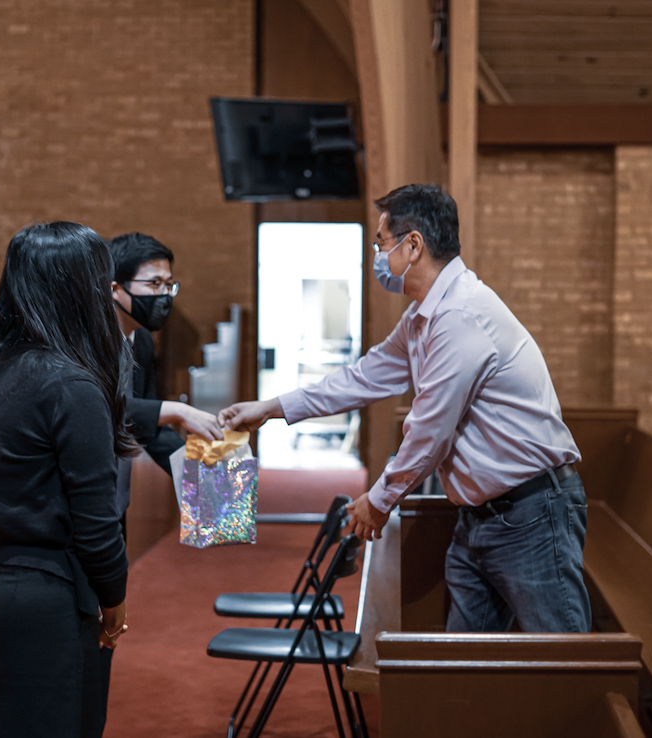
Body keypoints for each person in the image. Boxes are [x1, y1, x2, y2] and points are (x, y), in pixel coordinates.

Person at [219, 184, 591, 634]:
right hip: (480, 515)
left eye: (381, 243)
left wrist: (379, 501)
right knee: (464, 664)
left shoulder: (460, 315)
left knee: (561, 657)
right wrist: (270, 408)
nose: (377, 256)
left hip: (531, 512)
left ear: (413, 245)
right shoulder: (422, 317)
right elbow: (362, 378)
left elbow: (430, 431)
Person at [0, 221, 134, 737]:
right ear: (84, 290)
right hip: (40, 596)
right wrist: (114, 601)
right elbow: (96, 523)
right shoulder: (72, 385)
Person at [106, 233, 221, 521]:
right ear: (115, 288)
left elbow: (145, 425)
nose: (164, 295)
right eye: (154, 283)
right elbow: (102, 408)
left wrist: (203, 477)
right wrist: (178, 411)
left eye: (169, 285)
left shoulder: (143, 340)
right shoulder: (89, 343)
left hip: (117, 496)